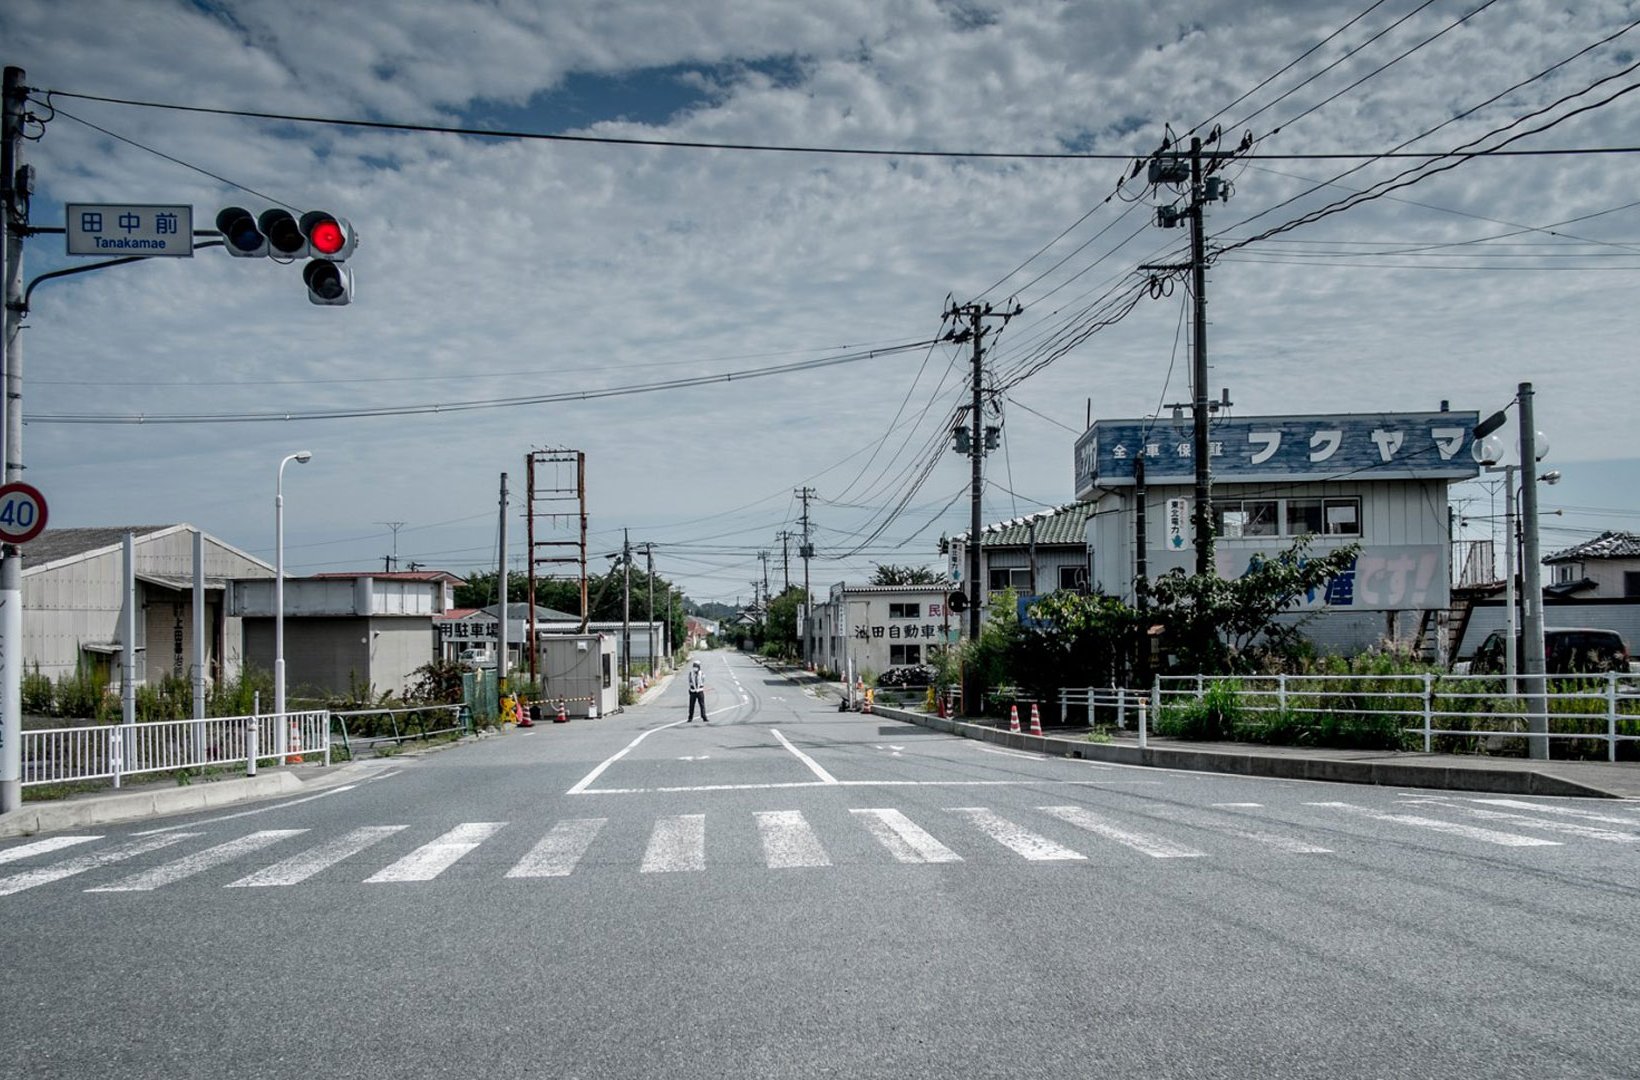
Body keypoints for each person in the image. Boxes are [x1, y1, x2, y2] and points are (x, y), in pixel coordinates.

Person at [686, 659, 709, 723]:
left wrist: (699, 687)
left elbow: (703, 680)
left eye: (696, 666)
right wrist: (692, 688)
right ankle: (690, 718)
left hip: (700, 691)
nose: (695, 668)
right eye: (694, 666)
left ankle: (704, 717)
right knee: (691, 705)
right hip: (693, 691)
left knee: (702, 704)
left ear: (699, 667)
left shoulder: (701, 673)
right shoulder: (691, 673)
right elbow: (690, 681)